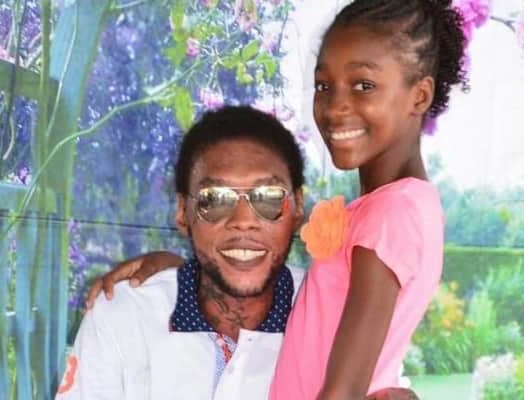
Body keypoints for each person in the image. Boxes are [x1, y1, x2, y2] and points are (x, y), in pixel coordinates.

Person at [90, 0, 468, 398]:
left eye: (364, 85)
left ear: (420, 96)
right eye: (324, 86)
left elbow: (342, 392)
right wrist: (180, 276)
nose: (335, 106)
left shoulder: (392, 213)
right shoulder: (397, 208)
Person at [60, 105, 416, 400]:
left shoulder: (340, 316)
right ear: (183, 213)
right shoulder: (123, 317)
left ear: (296, 209)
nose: (244, 221)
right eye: (215, 199)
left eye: (269, 198)